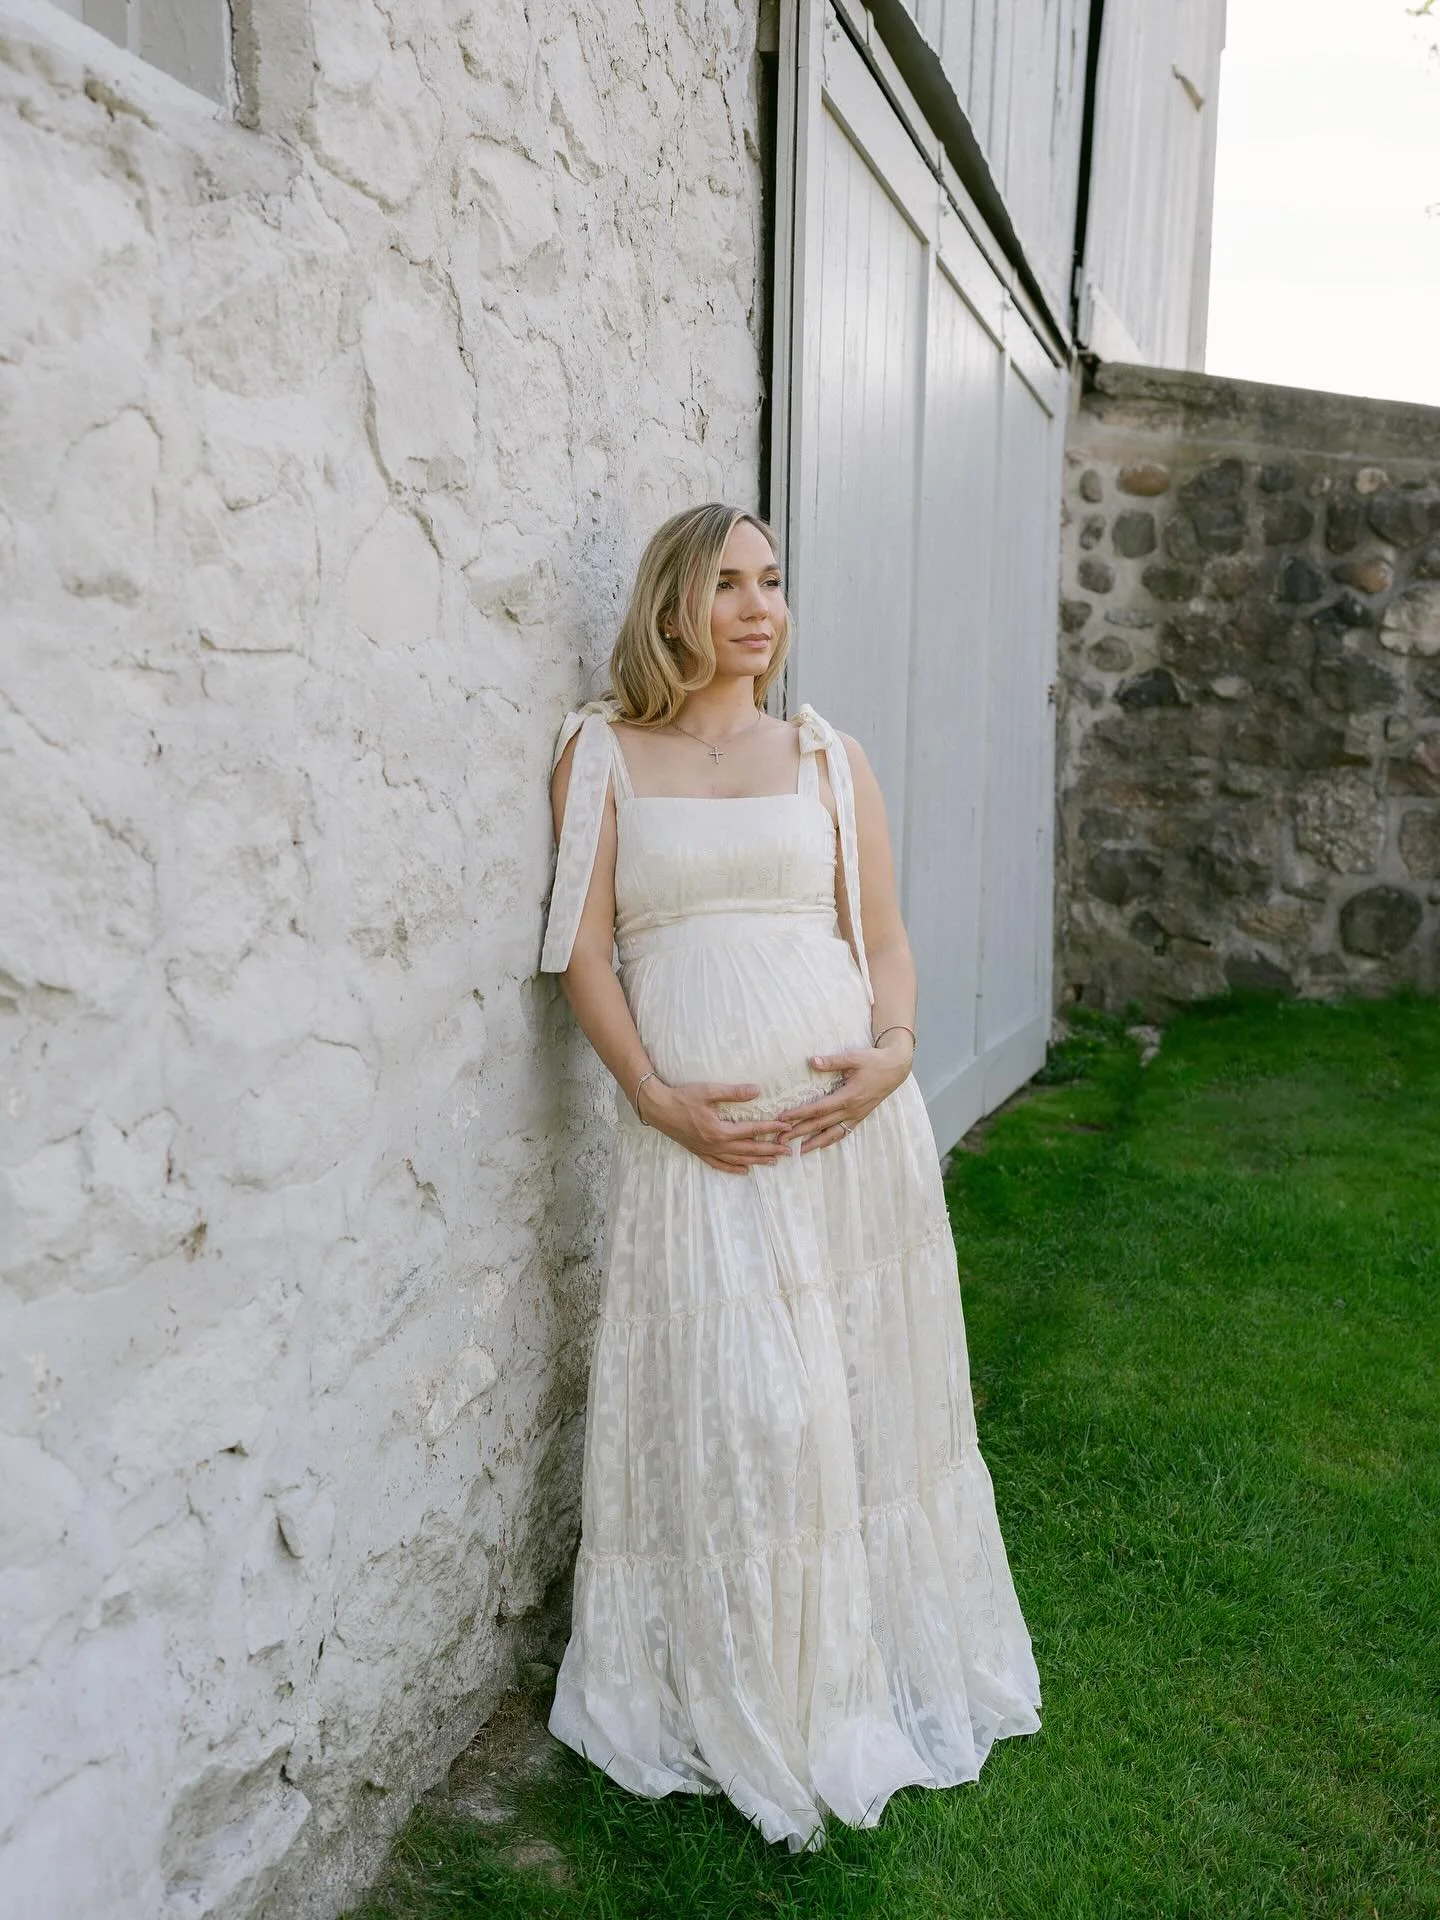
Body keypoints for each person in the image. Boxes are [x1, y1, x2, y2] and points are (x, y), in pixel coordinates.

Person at [538, 503, 1040, 1850]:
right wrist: (653, 1098)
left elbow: (881, 934)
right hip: (694, 1129)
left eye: (773, 581)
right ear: (671, 606)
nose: (760, 608)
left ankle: (842, 1669)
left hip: (841, 1127)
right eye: (727, 586)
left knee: (847, 1395)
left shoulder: (828, 758)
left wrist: (894, 1054)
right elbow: (584, 954)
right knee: (746, 1399)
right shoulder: (600, 752)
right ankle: (737, 1671)